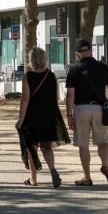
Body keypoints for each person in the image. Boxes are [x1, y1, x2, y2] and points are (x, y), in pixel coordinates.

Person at [66, 39, 108, 186]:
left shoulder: (74, 70)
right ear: (91, 51)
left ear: (78, 54)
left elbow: (70, 94)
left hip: (81, 109)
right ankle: (105, 165)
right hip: (100, 108)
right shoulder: (103, 67)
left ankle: (87, 177)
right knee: (103, 141)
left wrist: (69, 115)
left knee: (83, 144)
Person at [16, 47, 68, 187]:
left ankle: (33, 179)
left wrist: (21, 119)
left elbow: (25, 99)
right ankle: (53, 171)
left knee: (32, 148)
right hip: (49, 114)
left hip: (33, 115)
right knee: (47, 147)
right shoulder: (51, 75)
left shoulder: (28, 76)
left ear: (31, 59)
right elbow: (56, 97)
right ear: (44, 58)